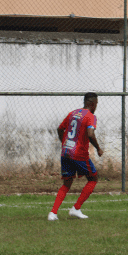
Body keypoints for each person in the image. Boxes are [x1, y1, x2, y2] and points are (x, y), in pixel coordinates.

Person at [48, 92, 104, 221]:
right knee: (93, 178)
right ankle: (76, 208)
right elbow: (90, 134)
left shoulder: (72, 113)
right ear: (92, 103)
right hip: (79, 154)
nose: (96, 106)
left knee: (67, 183)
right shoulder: (90, 116)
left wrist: (64, 143)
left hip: (66, 152)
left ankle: (53, 213)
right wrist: (98, 148)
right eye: (96, 103)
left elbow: (59, 129)